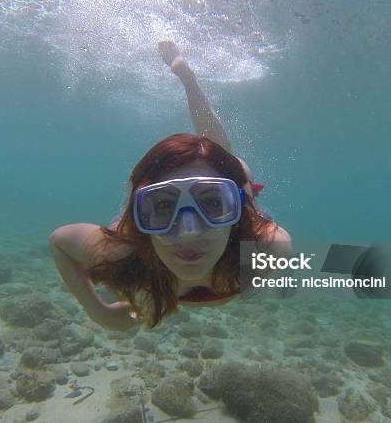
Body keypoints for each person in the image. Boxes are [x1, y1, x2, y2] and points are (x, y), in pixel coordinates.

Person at [49, 41, 292, 331]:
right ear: (139, 215)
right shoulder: (121, 252)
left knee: (228, 161)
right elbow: (59, 242)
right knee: (218, 159)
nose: (189, 232)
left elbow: (59, 240)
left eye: (213, 203)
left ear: (236, 209)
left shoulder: (268, 249)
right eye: (164, 206)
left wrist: (104, 311)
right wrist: (97, 311)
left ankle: (189, 81)